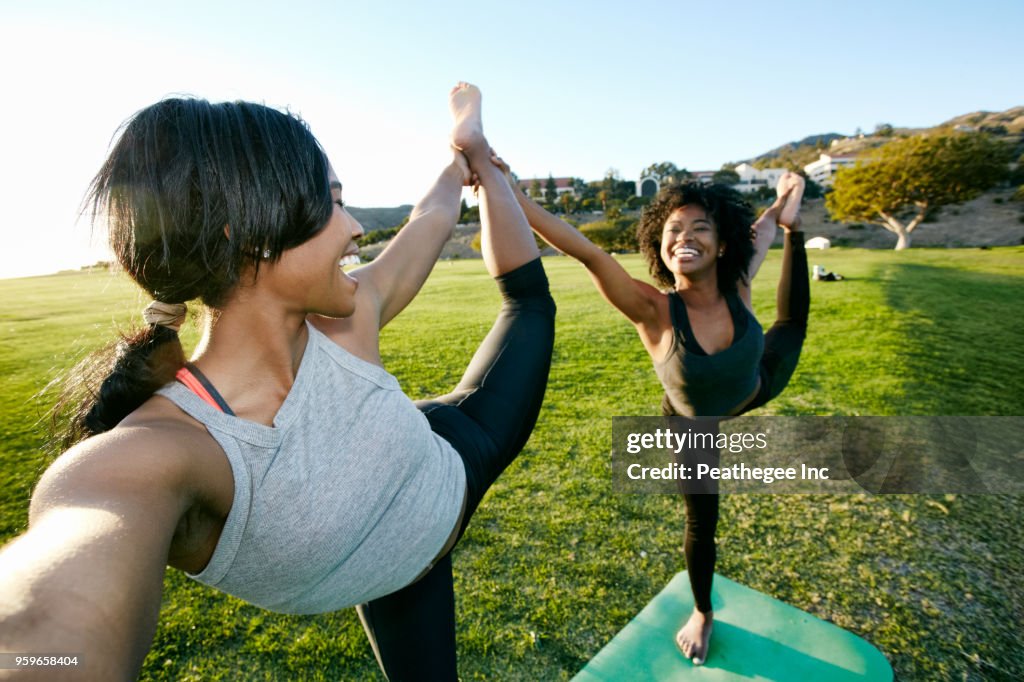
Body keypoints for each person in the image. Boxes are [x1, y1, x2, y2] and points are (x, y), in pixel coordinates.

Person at [0, 83, 555, 681]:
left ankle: (471, 142)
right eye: (333, 204)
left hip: (451, 454)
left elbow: (433, 216)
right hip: (391, 559)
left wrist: (461, 159)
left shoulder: (349, 316)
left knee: (528, 303)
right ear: (251, 231)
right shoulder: (154, 455)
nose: (356, 228)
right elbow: (39, 631)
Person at [489, 154, 809, 666]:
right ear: (659, 243)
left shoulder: (739, 281)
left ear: (723, 241)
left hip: (755, 386)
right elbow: (588, 253)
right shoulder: (654, 310)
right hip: (694, 424)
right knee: (703, 521)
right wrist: (513, 195)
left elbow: (762, 229)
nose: (685, 236)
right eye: (674, 229)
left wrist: (783, 206)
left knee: (791, 325)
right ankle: (703, 611)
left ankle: (802, 232)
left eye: (700, 227)